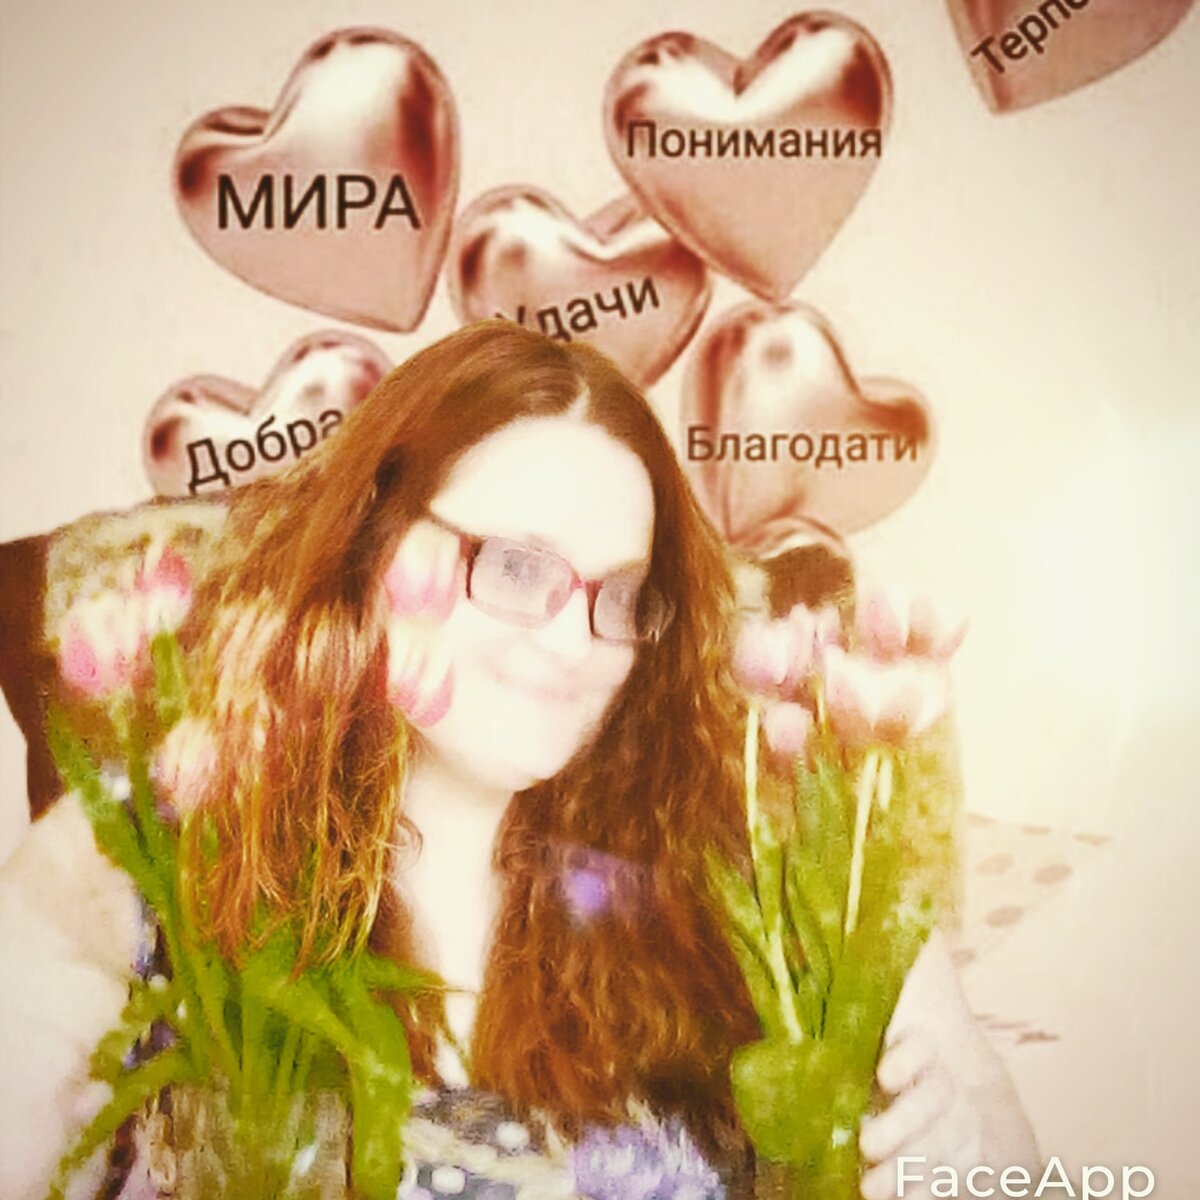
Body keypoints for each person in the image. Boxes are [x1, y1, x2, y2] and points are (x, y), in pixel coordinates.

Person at [0, 321, 1037, 1200]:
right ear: (374, 533)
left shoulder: (767, 865)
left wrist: (961, 1150)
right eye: (515, 566)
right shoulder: (145, 852)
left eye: (621, 594)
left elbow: (1006, 1163)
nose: (577, 642)